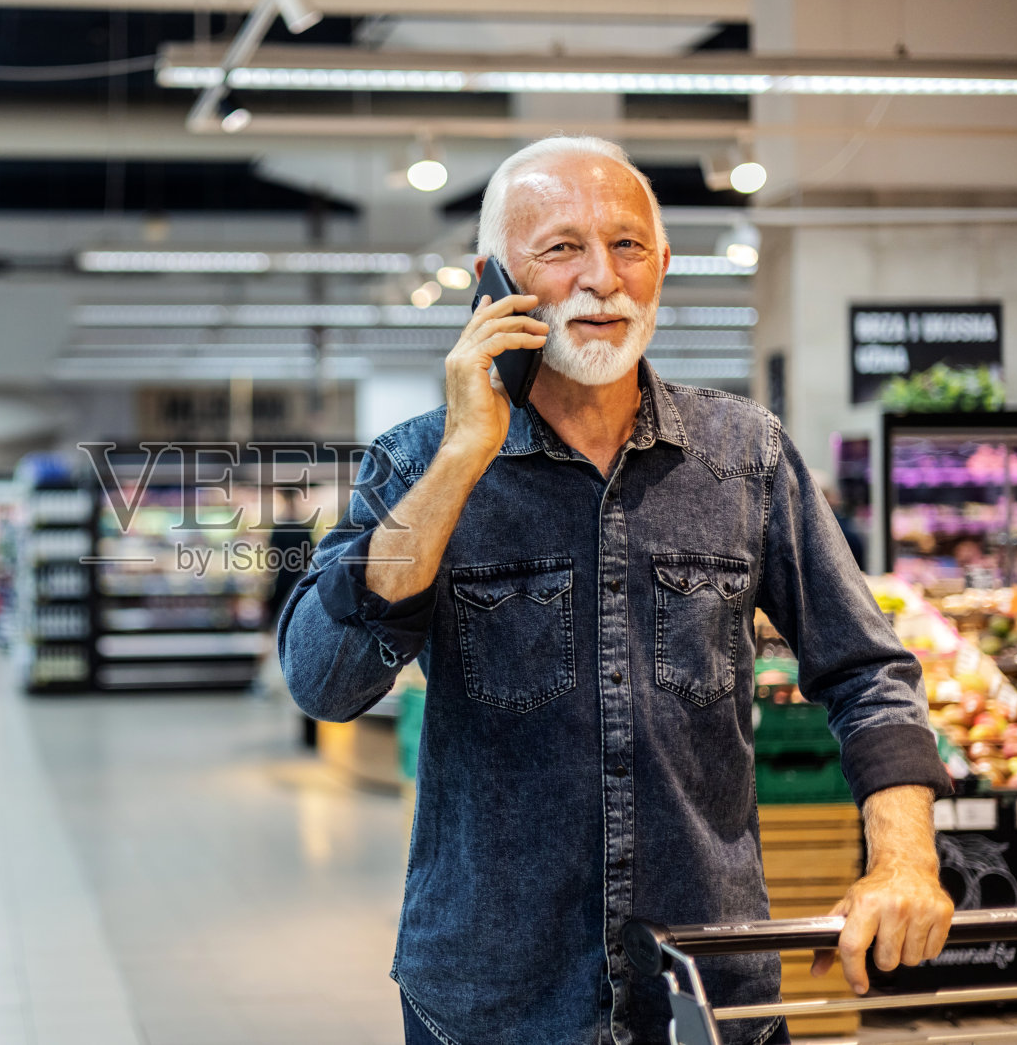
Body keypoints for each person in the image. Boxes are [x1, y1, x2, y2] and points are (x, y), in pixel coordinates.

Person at [277, 136, 954, 1045]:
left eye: (629, 245)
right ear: (492, 281)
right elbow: (324, 679)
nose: (604, 277)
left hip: (709, 989)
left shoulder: (743, 456)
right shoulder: (413, 462)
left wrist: (905, 858)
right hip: (494, 1003)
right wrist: (460, 461)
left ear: (664, 265)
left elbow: (869, 668)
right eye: (561, 248)